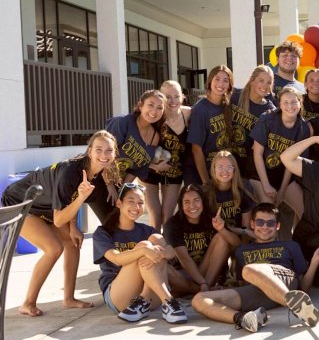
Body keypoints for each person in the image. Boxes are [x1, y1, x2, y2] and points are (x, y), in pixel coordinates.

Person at [1, 130, 121, 316]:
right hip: (22, 203)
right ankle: (27, 303)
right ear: (90, 151)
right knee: (54, 249)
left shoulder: (96, 174)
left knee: (73, 243)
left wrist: (73, 226)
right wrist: (81, 198)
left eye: (109, 150)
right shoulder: (70, 172)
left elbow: (68, 199)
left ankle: (69, 299)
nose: (104, 155)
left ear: (114, 153)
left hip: (46, 206)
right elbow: (59, 219)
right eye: (98, 150)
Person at [192, 203, 319, 333]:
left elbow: (303, 289)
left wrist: (314, 262)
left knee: (249, 270)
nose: (265, 227)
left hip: (284, 280)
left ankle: (293, 304)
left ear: (277, 226)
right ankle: (245, 319)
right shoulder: (242, 251)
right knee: (199, 300)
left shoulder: (290, 246)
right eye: (260, 222)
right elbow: (242, 284)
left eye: (270, 223)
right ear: (252, 224)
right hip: (258, 292)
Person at [93, 182, 188, 323]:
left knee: (156, 239)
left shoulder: (147, 230)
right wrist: (144, 250)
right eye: (131, 201)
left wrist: (160, 253)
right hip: (120, 297)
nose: (136, 207)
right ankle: (169, 301)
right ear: (119, 203)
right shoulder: (103, 232)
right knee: (145, 245)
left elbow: (171, 252)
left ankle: (144, 300)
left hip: (152, 298)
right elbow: (116, 259)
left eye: (140, 203)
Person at [142, 80, 192, 230]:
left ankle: (167, 243)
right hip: (150, 170)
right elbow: (138, 144)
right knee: (155, 217)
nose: (173, 101)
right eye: (168, 97)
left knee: (168, 216)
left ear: (182, 97)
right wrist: (154, 166)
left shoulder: (188, 113)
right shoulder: (155, 116)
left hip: (174, 171)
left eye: (176, 96)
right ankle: (155, 243)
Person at [163, 185, 231, 295]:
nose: (192, 206)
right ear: (181, 205)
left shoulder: (212, 218)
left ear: (203, 201)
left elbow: (236, 243)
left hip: (205, 271)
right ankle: (202, 290)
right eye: (186, 202)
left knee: (222, 237)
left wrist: (222, 229)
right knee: (164, 270)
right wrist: (202, 283)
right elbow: (184, 258)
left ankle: (203, 288)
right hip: (182, 273)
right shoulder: (173, 224)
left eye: (196, 200)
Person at [251, 87, 310, 205]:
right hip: (259, 172)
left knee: (304, 208)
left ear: (300, 103)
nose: (290, 106)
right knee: (269, 207)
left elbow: (292, 162)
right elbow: (257, 153)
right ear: (280, 105)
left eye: (294, 102)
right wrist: (266, 185)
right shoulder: (268, 118)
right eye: (285, 102)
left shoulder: (303, 128)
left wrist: (282, 191)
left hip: (283, 174)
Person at [188, 65, 243, 184]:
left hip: (228, 170)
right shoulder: (200, 109)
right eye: (217, 79)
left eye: (225, 80)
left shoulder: (230, 104)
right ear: (210, 81)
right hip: (210, 170)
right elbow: (196, 149)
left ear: (230, 85)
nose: (221, 84)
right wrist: (206, 181)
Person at [106, 89, 169, 183]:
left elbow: (136, 169)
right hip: (98, 177)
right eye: (150, 105)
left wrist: (123, 189)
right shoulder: (121, 122)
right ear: (140, 105)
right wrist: (109, 185)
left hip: (119, 182)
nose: (154, 111)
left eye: (159, 107)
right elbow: (104, 155)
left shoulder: (155, 137)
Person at [231, 66, 278, 192]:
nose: (265, 85)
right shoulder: (234, 96)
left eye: (269, 82)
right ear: (252, 80)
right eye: (261, 80)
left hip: (248, 166)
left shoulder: (270, 111)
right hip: (227, 159)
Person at [203, 151, 256, 248]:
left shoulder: (244, 187)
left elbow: (246, 226)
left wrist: (243, 250)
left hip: (238, 237)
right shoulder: (206, 191)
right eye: (220, 167)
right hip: (216, 238)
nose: (225, 171)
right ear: (213, 169)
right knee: (222, 237)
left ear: (235, 169)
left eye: (229, 167)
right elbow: (208, 227)